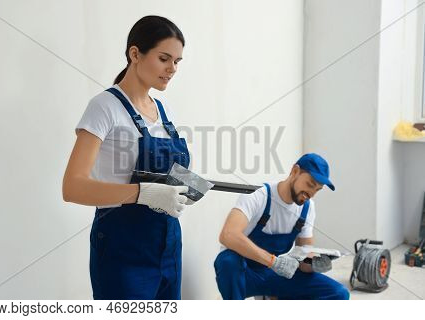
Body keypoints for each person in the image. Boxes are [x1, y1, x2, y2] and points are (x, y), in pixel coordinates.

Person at [62, 16, 192, 300]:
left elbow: (165, 172)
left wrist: (187, 185)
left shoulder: (163, 108)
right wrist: (143, 193)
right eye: (164, 58)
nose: (172, 69)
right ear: (135, 54)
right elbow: (72, 187)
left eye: (177, 62)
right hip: (123, 248)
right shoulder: (104, 107)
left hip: (168, 246)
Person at [214, 153, 350, 300]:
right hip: (245, 273)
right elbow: (228, 235)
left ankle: (273, 298)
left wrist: (314, 264)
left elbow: (305, 255)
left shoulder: (307, 208)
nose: (311, 193)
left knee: (339, 294)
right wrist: (273, 262)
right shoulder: (259, 196)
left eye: (317, 189)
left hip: (273, 275)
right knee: (227, 261)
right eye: (310, 184)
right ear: (295, 171)